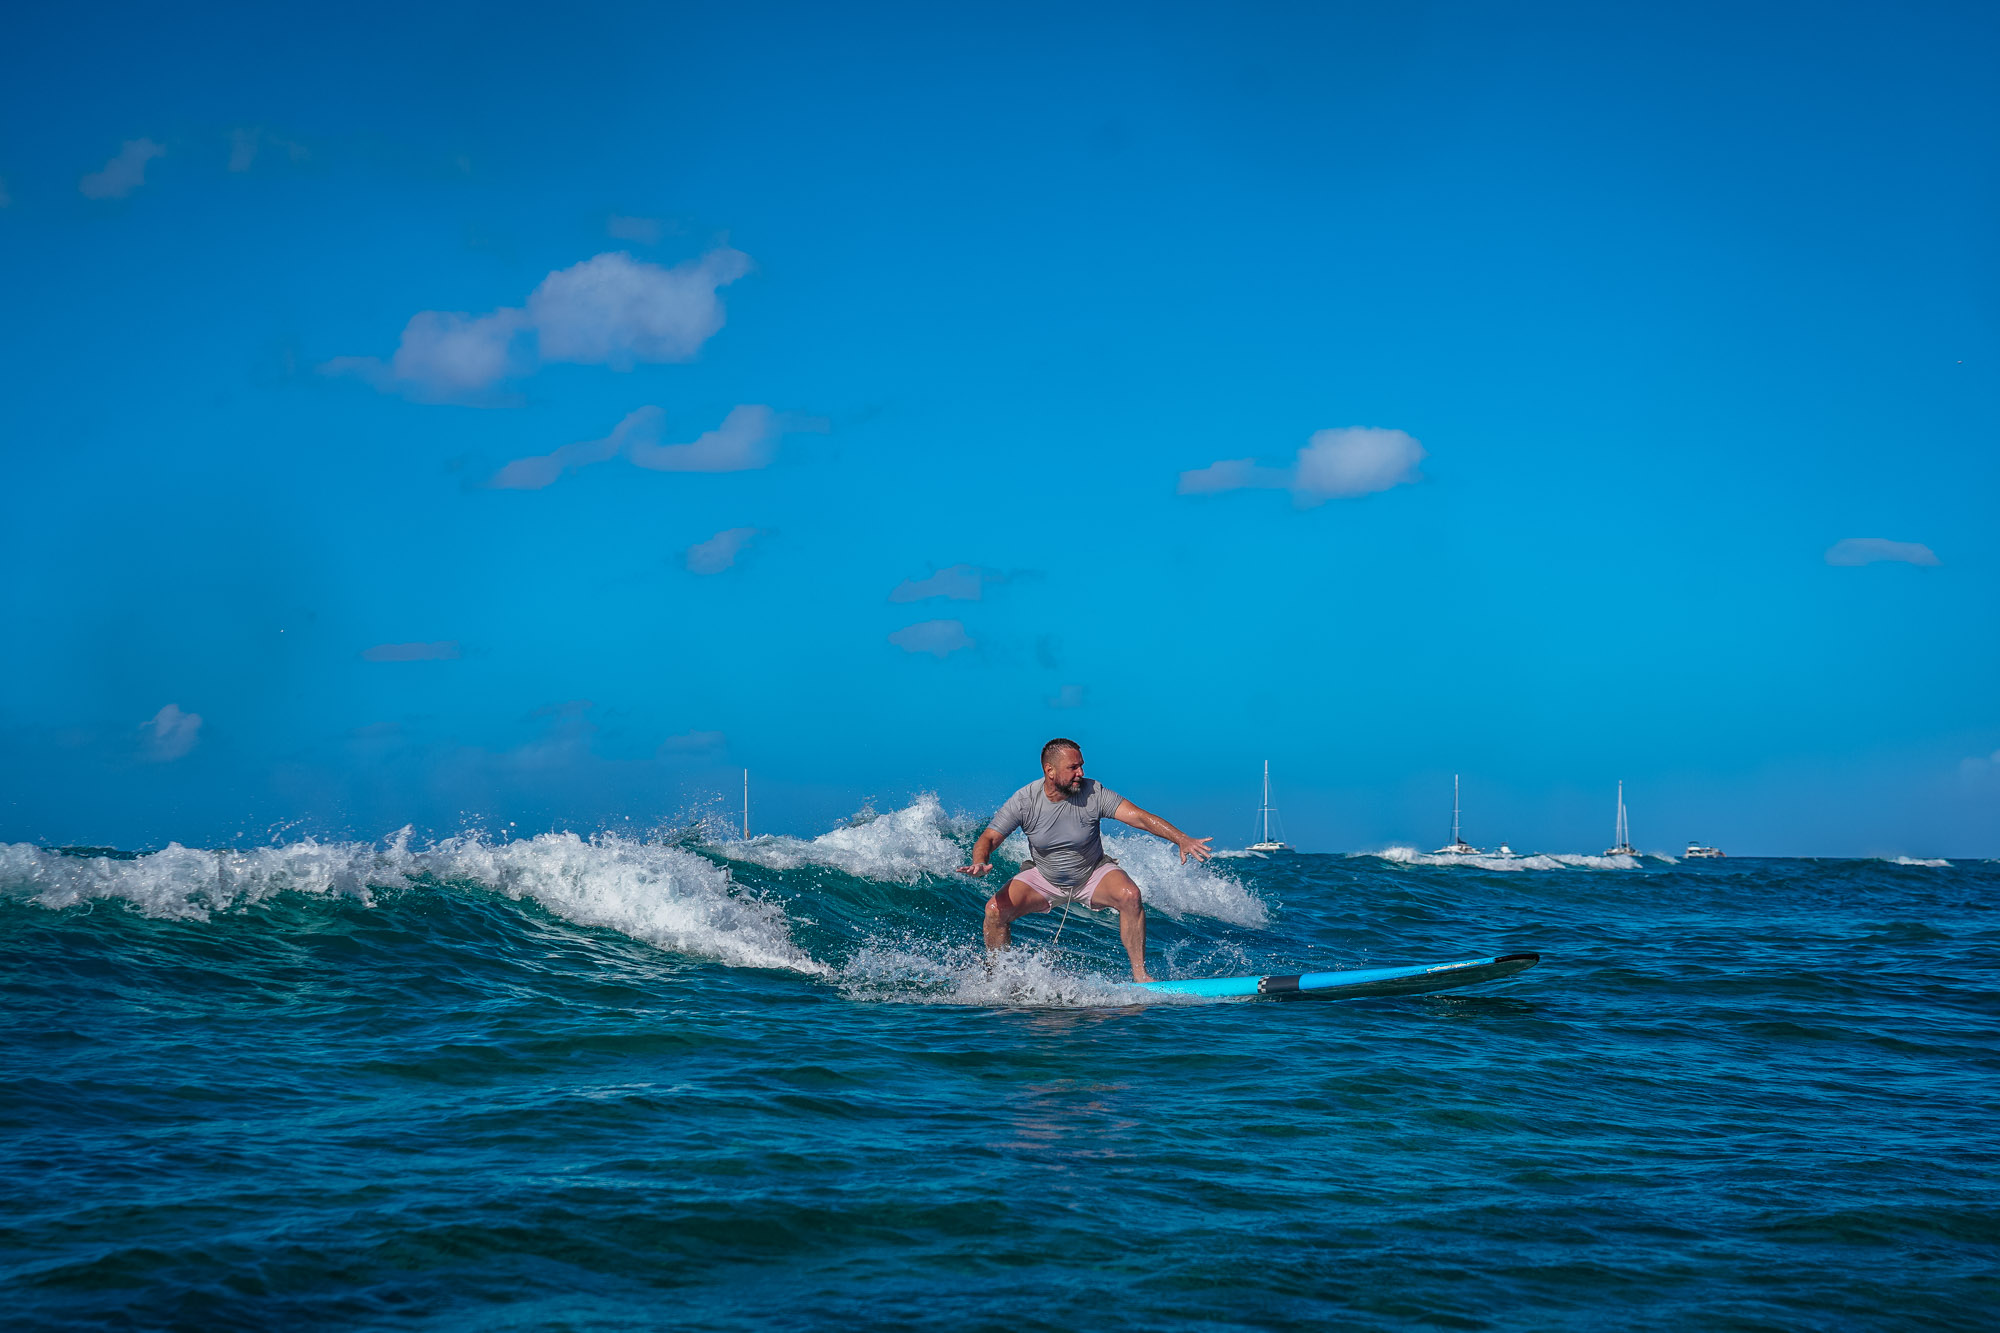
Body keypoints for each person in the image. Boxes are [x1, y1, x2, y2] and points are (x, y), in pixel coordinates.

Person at [960, 738, 1212, 983]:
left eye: (1081, 765)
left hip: (1092, 874)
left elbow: (1140, 818)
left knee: (1130, 895)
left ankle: (1140, 976)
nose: (1080, 772)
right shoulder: (1025, 801)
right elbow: (990, 838)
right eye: (1073, 767)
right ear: (1050, 770)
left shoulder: (1094, 793)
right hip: (1044, 877)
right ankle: (998, 979)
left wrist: (1181, 838)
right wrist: (980, 860)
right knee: (994, 910)